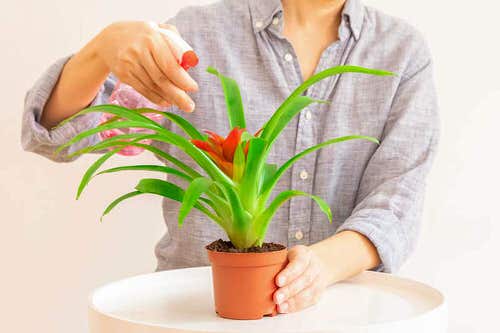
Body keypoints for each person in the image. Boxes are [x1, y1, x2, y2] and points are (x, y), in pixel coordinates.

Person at [21, 0, 439, 314]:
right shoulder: (197, 35)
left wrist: (319, 268)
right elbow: (57, 137)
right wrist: (103, 48)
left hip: (336, 314)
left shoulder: (400, 52)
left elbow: (397, 201)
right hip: (194, 313)